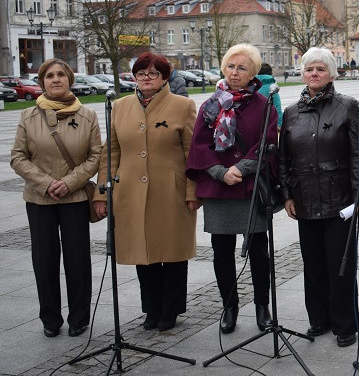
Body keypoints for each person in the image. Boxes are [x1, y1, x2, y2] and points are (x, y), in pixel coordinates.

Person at [93, 52, 199, 332]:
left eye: (153, 73)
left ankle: (171, 310)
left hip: (171, 190)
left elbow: (192, 152)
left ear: (165, 77)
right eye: (141, 73)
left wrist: (193, 191)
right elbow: (110, 152)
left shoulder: (183, 106)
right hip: (131, 191)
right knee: (143, 251)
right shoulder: (119, 106)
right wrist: (102, 193)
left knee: (172, 252)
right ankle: (151, 309)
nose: (146, 78)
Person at [278, 47, 359, 348]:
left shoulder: (348, 107)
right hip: (304, 197)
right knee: (313, 263)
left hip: (339, 198)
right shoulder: (291, 112)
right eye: (309, 69)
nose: (314, 74)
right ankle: (319, 318)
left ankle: (345, 324)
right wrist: (286, 194)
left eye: (320, 69)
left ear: (331, 74)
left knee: (340, 265)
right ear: (302, 74)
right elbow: (283, 158)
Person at [186, 44, 278, 334]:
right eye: (230, 66)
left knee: (259, 251)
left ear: (253, 73)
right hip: (219, 187)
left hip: (250, 185)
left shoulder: (264, 104)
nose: (235, 72)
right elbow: (199, 144)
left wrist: (241, 168)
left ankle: (262, 306)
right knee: (222, 251)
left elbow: (267, 141)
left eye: (242, 68)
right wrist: (219, 172)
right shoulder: (211, 104)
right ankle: (229, 306)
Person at [11, 59, 102, 338]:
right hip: (39, 199)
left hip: (75, 199)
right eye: (49, 75)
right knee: (44, 260)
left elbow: (96, 156)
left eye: (61, 74)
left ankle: (79, 318)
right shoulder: (28, 116)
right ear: (42, 82)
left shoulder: (88, 116)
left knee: (78, 260)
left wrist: (69, 182)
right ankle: (50, 318)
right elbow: (18, 157)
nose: (56, 79)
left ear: (69, 79)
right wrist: (47, 183)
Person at [256, 63, 283, 129]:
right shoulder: (272, 88)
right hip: (269, 124)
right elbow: (277, 107)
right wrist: (279, 124)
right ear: (270, 73)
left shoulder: (252, 86)